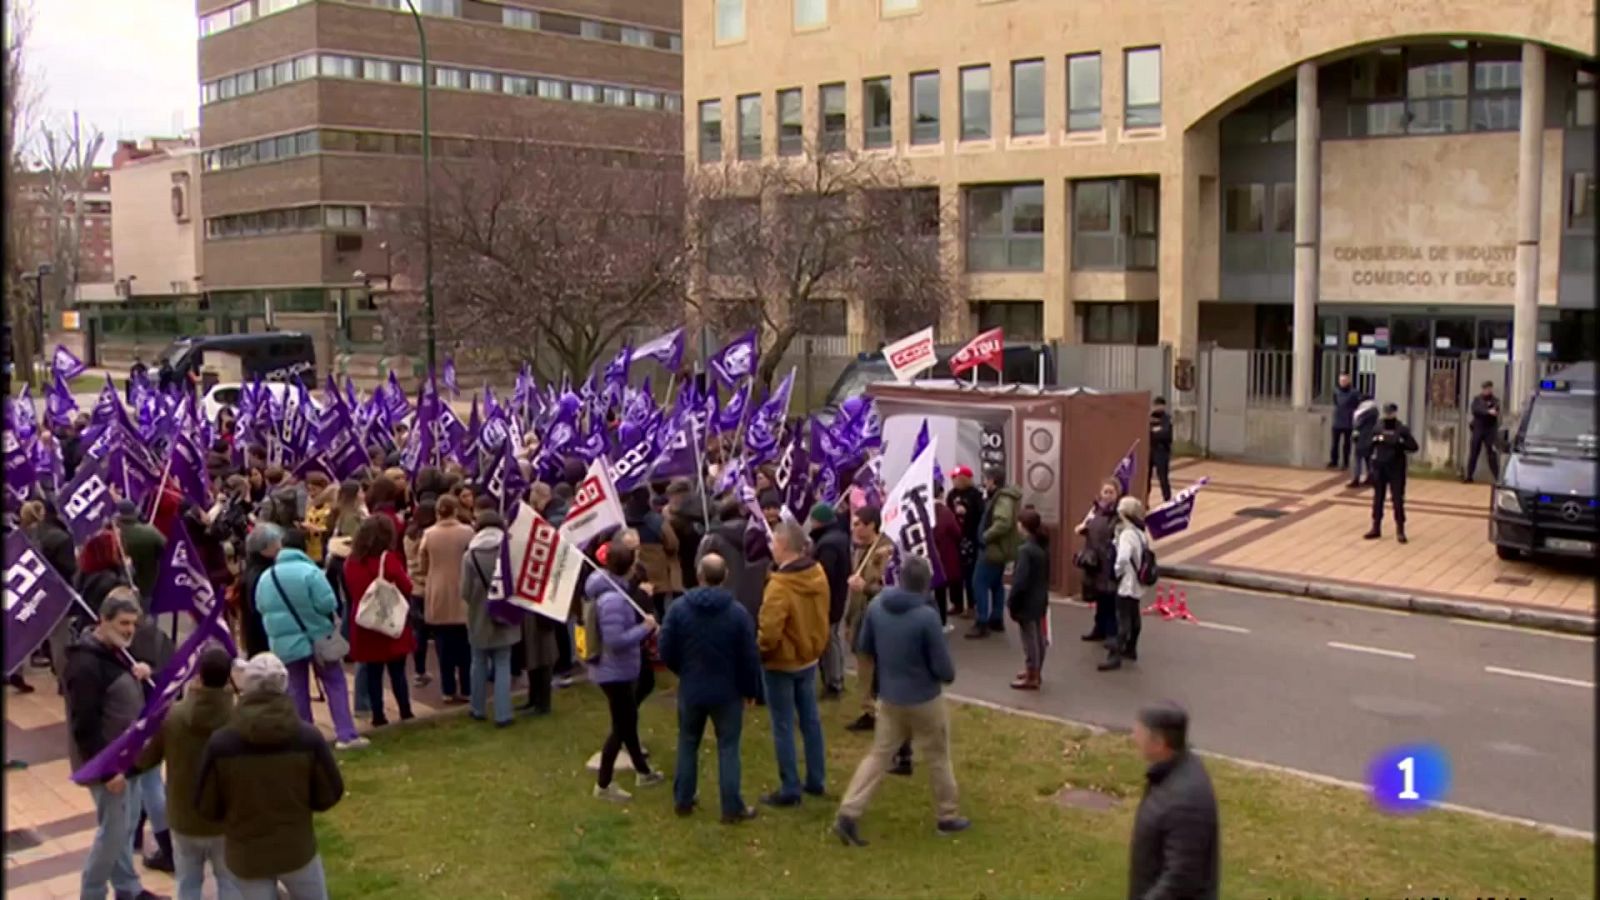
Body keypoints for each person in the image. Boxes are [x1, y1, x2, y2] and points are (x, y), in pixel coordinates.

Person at [833, 556, 966, 847]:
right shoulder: (927, 617)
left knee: (878, 756)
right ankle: (947, 815)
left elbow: (864, 646)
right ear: (924, 584)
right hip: (924, 697)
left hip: (890, 696)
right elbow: (945, 669)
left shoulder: (878, 606)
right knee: (937, 756)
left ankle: (849, 812)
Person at [195, 653, 345, 900]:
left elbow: (207, 805)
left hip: (246, 853)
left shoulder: (222, 743)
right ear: (284, 684)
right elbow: (330, 793)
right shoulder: (307, 737)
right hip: (296, 848)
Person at [65, 592, 167, 900]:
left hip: (128, 760)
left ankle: (128, 889)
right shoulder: (84, 664)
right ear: (103, 620)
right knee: (112, 834)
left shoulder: (118, 652)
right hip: (107, 766)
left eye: (132, 624)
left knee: (126, 826)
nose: (129, 630)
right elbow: (84, 725)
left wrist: (147, 673)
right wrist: (108, 771)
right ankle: (92, 892)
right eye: (123, 623)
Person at [658, 554, 763, 824]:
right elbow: (749, 656)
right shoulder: (737, 613)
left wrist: (683, 670)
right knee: (728, 747)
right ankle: (731, 807)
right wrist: (751, 689)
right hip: (727, 691)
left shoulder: (679, 609)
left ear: (698, 574)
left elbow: (665, 648)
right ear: (725, 575)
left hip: (692, 687)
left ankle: (683, 799)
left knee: (687, 742)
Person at [132, 646, 238, 900]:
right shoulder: (239, 719)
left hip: (184, 817)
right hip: (227, 818)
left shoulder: (173, 716)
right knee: (230, 883)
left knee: (187, 883)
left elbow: (146, 760)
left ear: (198, 675)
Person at [253, 525, 367, 750]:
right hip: (317, 636)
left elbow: (260, 606)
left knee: (296, 689)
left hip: (284, 642)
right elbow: (328, 603)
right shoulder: (310, 572)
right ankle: (346, 734)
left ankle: (304, 738)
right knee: (334, 683)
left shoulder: (267, 577)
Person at [756, 521, 831, 808]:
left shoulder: (779, 586)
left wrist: (761, 651)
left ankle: (790, 787)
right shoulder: (818, 574)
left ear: (784, 546)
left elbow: (770, 630)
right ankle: (816, 778)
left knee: (784, 724)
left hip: (782, 663)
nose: (771, 549)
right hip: (809, 656)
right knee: (810, 720)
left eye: (774, 544)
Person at [588, 542, 665, 802]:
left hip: (616, 670)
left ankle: (643, 772)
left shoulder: (615, 592)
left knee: (628, 722)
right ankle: (604, 784)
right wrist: (645, 628)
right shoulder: (613, 600)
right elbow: (616, 640)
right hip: (615, 672)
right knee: (621, 726)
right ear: (629, 566)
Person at [1128, 702, 1221, 900]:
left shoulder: (1185, 802)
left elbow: (1182, 877)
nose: (1133, 738)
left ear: (1159, 742)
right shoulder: (1175, 772)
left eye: (1139, 733)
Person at [344, 515, 418, 724]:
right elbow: (406, 586)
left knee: (373, 673)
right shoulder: (388, 559)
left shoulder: (352, 561)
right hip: (389, 618)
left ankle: (378, 714)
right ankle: (405, 711)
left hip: (365, 621)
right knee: (397, 672)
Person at [461, 510, 520, 727]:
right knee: (503, 663)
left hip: (479, 615)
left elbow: (464, 591)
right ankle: (503, 713)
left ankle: (477, 708)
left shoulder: (470, 555)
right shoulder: (509, 551)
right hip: (505, 612)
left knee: (477, 662)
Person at [420, 495, 473, 703]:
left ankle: (447, 689)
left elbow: (422, 563)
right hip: (462, 590)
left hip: (438, 591)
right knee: (465, 647)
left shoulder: (429, 534)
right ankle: (467, 687)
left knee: (444, 647)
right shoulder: (468, 533)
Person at [843, 506, 891, 733]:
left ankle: (875, 711)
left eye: (858, 524)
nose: (854, 528)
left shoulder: (884, 552)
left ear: (872, 525)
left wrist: (867, 588)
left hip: (876, 618)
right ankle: (868, 710)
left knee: (873, 666)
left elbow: (889, 589)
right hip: (859, 615)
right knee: (864, 667)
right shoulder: (860, 550)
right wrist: (849, 620)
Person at [969, 466, 1021, 639]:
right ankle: (996, 618)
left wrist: (985, 536)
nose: (984, 483)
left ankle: (982, 621)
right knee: (996, 584)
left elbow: (1003, 522)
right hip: (998, 548)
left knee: (979, 583)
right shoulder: (1003, 497)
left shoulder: (1002, 499)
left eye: (986, 479)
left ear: (993, 481)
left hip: (992, 548)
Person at [1101, 497, 1152, 672]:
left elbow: (1122, 558)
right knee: (1134, 615)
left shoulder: (1127, 534)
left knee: (1123, 619)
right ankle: (1131, 648)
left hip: (1127, 582)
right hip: (1138, 581)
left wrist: (1116, 572)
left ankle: (1115, 656)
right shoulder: (1140, 532)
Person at [807, 503, 852, 699]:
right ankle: (835, 678)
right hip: (837, 596)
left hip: (829, 599)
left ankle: (834, 682)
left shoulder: (827, 545)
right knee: (831, 638)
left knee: (829, 640)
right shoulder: (838, 538)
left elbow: (823, 574)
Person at [1008, 509, 1051, 690]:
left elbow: (1020, 580)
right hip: (1040, 597)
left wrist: (1012, 600)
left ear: (1023, 526)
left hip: (1027, 600)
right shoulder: (1042, 547)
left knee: (1029, 639)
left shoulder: (1025, 551)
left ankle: (1032, 674)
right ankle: (1035, 670)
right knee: (1039, 637)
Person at [1364, 402, 1419, 544]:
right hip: (1380, 467)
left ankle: (1400, 530)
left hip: (1396, 468)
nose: (1388, 415)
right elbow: (1370, 444)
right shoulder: (1378, 426)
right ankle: (1376, 527)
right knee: (1378, 499)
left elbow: (1413, 446)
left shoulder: (1401, 429)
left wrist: (1400, 443)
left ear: (1395, 413)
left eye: (1391, 412)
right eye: (1386, 412)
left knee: (1397, 500)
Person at [1075, 480, 1122, 643]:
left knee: (1109, 599)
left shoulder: (1118, 514)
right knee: (1099, 598)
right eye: (1105, 492)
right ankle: (1099, 629)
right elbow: (1092, 529)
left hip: (1108, 562)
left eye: (1111, 492)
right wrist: (1084, 530)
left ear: (1117, 494)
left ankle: (1111, 634)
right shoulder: (1096, 511)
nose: (1108, 495)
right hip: (1094, 562)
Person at [403, 497, 437, 689]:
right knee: (439, 632)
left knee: (419, 633)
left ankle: (419, 670)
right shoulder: (428, 536)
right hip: (428, 585)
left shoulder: (408, 534)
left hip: (413, 585)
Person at [946, 467, 983, 622]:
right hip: (955, 538)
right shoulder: (951, 495)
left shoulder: (975, 495)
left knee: (969, 573)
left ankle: (972, 605)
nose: (954, 481)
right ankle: (957, 603)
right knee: (955, 572)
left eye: (957, 477)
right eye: (953, 478)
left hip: (970, 538)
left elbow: (980, 514)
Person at [116, 499, 167, 606]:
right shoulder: (149, 532)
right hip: (148, 585)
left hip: (119, 589)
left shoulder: (112, 535)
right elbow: (167, 550)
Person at [932, 485, 964, 632]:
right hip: (944, 556)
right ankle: (941, 623)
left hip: (926, 556)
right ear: (941, 493)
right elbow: (957, 532)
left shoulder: (922, 510)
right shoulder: (945, 512)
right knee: (940, 591)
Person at [1464, 380, 1501, 484]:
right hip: (1478, 429)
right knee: (1473, 453)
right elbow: (1475, 410)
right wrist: (1487, 411)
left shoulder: (1495, 400)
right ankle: (1469, 476)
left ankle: (1498, 478)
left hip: (1490, 431)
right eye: (1485, 388)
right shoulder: (1477, 399)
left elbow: (1495, 410)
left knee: (1492, 454)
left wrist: (1487, 412)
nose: (1487, 390)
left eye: (1489, 388)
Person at [1329, 372, 1360, 470]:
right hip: (1337, 421)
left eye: (1345, 380)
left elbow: (1356, 405)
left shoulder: (1354, 392)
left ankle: (1345, 462)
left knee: (1347, 444)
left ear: (1349, 381)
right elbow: (1335, 402)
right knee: (1335, 443)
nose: (1343, 382)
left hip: (1348, 422)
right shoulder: (1336, 391)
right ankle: (1334, 461)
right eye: (1341, 380)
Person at [1348, 395, 1380, 488]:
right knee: (1368, 458)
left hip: (1362, 437)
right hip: (1370, 437)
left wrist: (1355, 433)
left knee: (1357, 458)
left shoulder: (1363, 412)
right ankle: (1370, 476)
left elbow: (1358, 425)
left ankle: (1356, 478)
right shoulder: (1375, 411)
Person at [1149, 397, 1174, 503]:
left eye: (1161, 405)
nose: (1158, 407)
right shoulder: (1149, 417)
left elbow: (1167, 435)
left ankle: (1167, 500)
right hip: (1149, 451)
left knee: (1163, 477)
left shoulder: (1167, 418)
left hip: (1162, 451)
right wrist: (1155, 432)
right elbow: (1146, 433)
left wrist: (1154, 432)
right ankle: (1145, 500)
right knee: (1146, 478)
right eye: (1156, 405)